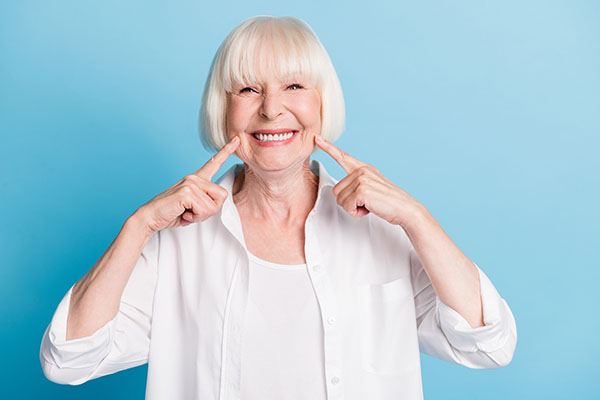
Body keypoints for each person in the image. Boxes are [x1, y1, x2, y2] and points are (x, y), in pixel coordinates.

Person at [39, 15, 517, 400]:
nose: (271, 110)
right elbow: (67, 361)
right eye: (248, 89)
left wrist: (416, 217)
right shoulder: (174, 245)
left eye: (293, 87)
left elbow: (488, 345)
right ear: (222, 108)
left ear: (322, 103)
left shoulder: (383, 231)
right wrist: (139, 225)